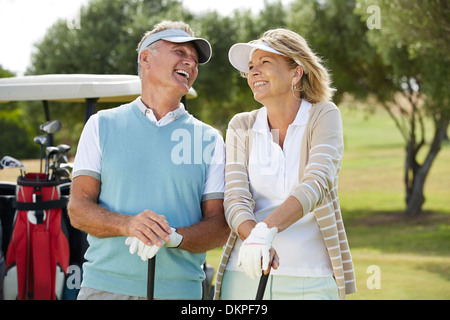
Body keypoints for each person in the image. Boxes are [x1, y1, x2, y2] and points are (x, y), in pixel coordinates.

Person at [68, 20, 229, 300]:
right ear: (146, 58)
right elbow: (78, 209)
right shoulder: (100, 125)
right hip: (105, 288)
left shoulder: (210, 139)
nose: (190, 63)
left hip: (179, 292)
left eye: (195, 61)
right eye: (180, 53)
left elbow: (219, 227)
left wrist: (174, 237)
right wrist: (127, 224)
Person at [214, 28, 356, 300]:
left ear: (296, 72)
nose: (254, 72)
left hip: (311, 277)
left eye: (265, 63)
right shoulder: (241, 125)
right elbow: (235, 198)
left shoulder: (323, 115)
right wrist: (254, 239)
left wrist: (265, 230)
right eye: (251, 67)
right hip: (246, 273)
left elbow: (317, 182)